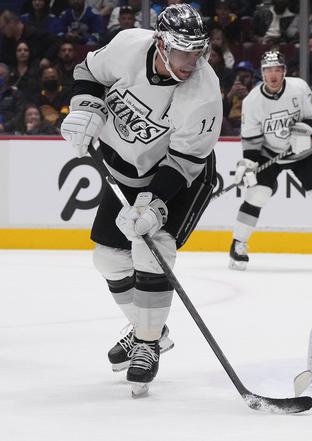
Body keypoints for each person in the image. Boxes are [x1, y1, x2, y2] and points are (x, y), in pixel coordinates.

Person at [59, 4, 222, 390]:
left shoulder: (203, 93)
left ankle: (147, 345)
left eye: (197, 52)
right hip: (126, 170)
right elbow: (88, 72)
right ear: (160, 43)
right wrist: (85, 106)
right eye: (182, 51)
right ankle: (151, 329)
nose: (190, 61)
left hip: (180, 177)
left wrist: (155, 202)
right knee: (108, 257)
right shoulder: (129, 45)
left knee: (152, 247)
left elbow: (185, 161)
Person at [229, 50, 312, 270]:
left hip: (303, 153)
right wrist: (249, 163)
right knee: (257, 194)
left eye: (277, 70)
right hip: (270, 154)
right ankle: (238, 244)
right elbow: (252, 139)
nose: (273, 75)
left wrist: (306, 131)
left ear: (284, 71)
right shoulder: (252, 100)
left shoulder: (299, 88)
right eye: (268, 71)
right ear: (261, 73)